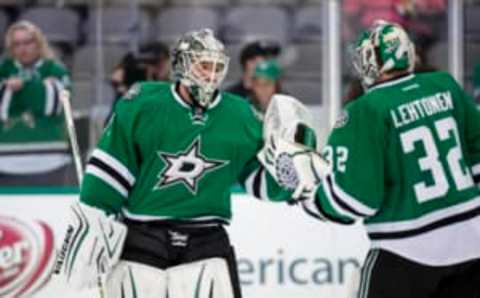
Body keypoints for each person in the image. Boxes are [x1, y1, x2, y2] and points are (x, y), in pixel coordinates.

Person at [59, 29, 295, 297]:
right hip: (142, 240)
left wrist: (289, 177)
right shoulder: (143, 103)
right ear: (183, 65)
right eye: (204, 66)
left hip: (206, 242)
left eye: (218, 67)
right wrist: (94, 223)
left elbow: (259, 179)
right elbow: (110, 173)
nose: (212, 75)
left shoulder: (240, 113)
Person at [284, 20, 480, 297]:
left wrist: (307, 197)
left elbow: (355, 200)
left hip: (406, 252)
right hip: (472, 245)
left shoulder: (366, 110)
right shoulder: (445, 85)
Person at [0, 20, 73, 186]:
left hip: (50, 161)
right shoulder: (3, 69)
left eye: (28, 42)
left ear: (39, 43)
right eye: (17, 44)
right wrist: (41, 88)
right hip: (5, 161)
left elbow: (53, 104)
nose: (23, 48)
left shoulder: (56, 69)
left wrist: (17, 88)